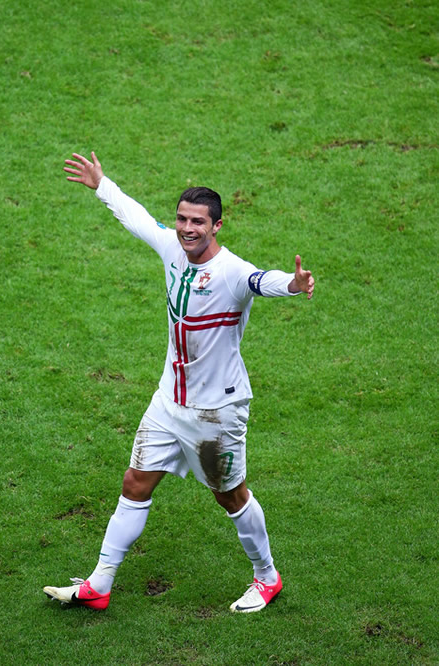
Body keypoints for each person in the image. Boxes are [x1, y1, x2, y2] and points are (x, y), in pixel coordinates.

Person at [44, 151, 314, 614]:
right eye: (182, 219)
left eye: (198, 222)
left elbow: (259, 280)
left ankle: (267, 578)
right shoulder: (172, 246)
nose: (187, 229)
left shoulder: (230, 271)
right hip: (168, 403)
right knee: (135, 483)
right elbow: (137, 219)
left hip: (216, 414)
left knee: (229, 495)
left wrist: (292, 284)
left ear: (217, 226)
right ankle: (99, 584)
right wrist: (101, 185)